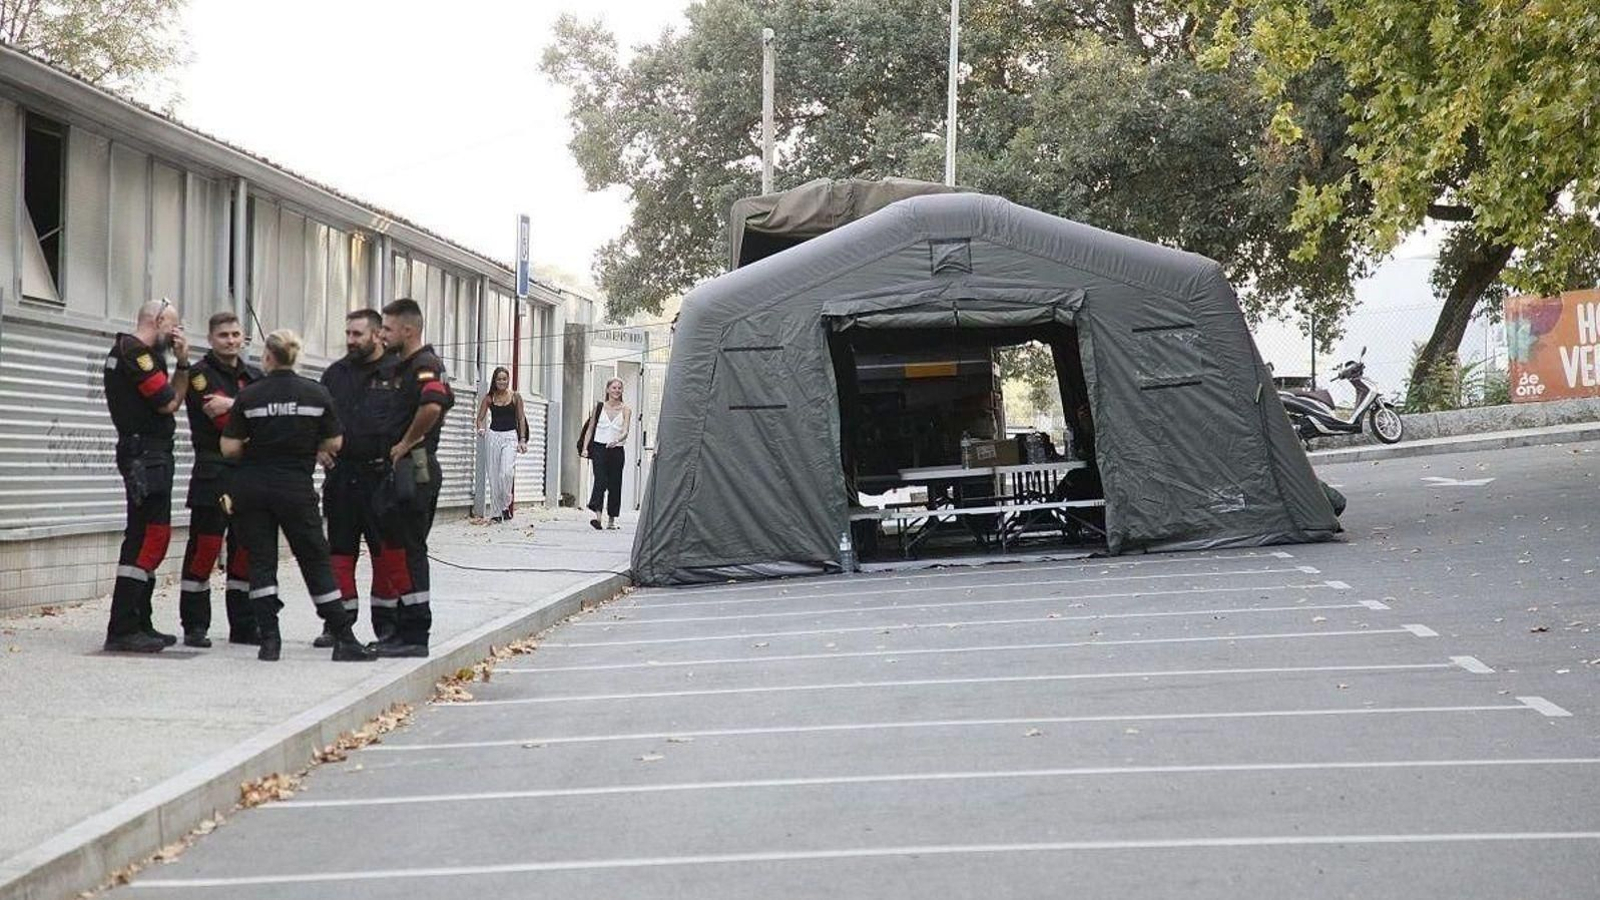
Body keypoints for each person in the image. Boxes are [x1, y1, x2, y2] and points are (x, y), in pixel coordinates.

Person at [220, 330, 374, 663]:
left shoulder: (250, 395)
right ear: (296, 356)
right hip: (295, 488)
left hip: (253, 487)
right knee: (315, 559)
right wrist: (307, 444)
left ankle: (269, 641)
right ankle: (344, 637)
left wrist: (255, 447)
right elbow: (335, 443)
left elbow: (229, 447)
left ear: (267, 357)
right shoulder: (316, 394)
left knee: (261, 562)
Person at [102, 299, 188, 653]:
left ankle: (140, 621)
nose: (177, 332)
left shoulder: (133, 352)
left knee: (148, 534)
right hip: (146, 455)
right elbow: (168, 402)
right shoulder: (135, 354)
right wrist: (184, 363)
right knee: (147, 535)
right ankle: (124, 627)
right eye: (174, 325)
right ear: (158, 319)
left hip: (147, 454)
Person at [317, 309, 403, 647]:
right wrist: (318, 447)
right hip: (341, 477)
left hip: (382, 478)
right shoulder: (335, 374)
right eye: (348, 334)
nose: (351, 340)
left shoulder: (398, 372)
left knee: (384, 556)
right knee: (339, 554)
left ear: (377, 334)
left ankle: (387, 627)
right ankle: (338, 626)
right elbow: (317, 417)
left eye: (358, 334)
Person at [373, 298, 454, 658]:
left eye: (387, 328)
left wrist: (406, 442)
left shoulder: (425, 365)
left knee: (410, 551)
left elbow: (433, 405)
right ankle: (400, 631)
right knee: (397, 550)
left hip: (415, 467)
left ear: (408, 330)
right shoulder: (403, 366)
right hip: (401, 468)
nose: (382, 334)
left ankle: (415, 635)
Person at [176, 311, 262, 647]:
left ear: (243, 338)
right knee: (205, 548)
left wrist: (233, 404)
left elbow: (265, 422)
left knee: (244, 551)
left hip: (247, 474)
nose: (230, 340)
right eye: (223, 335)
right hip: (213, 473)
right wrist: (249, 412)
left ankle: (244, 625)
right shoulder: (199, 374)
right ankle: (195, 625)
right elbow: (223, 422)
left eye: (235, 334)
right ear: (211, 339)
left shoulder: (254, 376)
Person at [475, 366, 528, 523]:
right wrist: (480, 429)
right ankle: (497, 512)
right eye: (499, 379)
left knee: (506, 473)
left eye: (504, 379)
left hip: (510, 436)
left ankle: (506, 502)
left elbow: (521, 418)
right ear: (495, 380)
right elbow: (480, 418)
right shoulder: (489, 397)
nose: (502, 382)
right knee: (493, 476)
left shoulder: (515, 397)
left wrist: (522, 439)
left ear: (508, 380)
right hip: (493, 437)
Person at [580, 377, 630, 530]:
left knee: (615, 484)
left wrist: (617, 440)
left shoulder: (626, 409)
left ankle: (611, 520)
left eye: (619, 388)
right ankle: (598, 517)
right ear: (608, 389)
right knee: (600, 480)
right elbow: (590, 428)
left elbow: (625, 431)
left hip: (616, 449)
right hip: (599, 447)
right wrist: (585, 448)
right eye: (614, 388)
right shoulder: (599, 407)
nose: (616, 390)